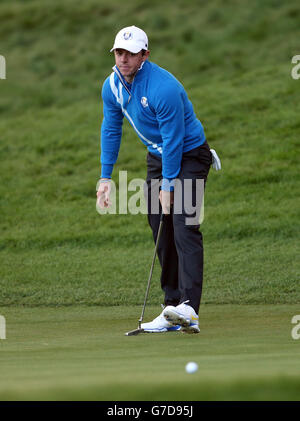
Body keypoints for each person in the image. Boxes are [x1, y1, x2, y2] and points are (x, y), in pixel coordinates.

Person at [97, 26, 221, 334]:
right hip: (158, 156)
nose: (123, 59)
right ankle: (172, 307)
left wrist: (168, 186)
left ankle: (189, 308)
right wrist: (105, 176)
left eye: (130, 53)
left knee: (184, 224)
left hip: (190, 154)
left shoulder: (162, 87)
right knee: (159, 223)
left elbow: (174, 138)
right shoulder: (111, 87)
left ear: (144, 56)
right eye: (119, 53)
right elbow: (111, 129)